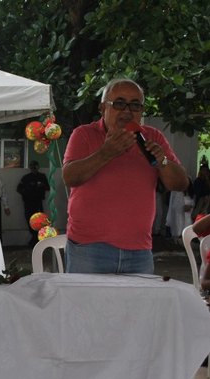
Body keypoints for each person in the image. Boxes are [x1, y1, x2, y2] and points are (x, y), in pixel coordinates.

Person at [62, 78, 190, 274]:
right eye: (119, 103)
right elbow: (70, 177)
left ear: (141, 110)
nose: (127, 111)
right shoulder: (84, 135)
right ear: (103, 108)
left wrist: (162, 160)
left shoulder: (152, 137)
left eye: (135, 105)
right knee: (86, 297)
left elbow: (180, 183)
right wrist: (106, 153)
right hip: (88, 249)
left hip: (139, 251)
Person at [16, 160, 50, 246]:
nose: (33, 168)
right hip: (28, 202)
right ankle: (34, 237)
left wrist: (41, 185)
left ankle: (37, 239)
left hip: (38, 202)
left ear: (38, 167)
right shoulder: (26, 177)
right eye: (31, 167)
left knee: (39, 221)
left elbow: (48, 187)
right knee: (29, 220)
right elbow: (19, 189)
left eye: (35, 167)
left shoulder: (42, 176)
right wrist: (26, 192)